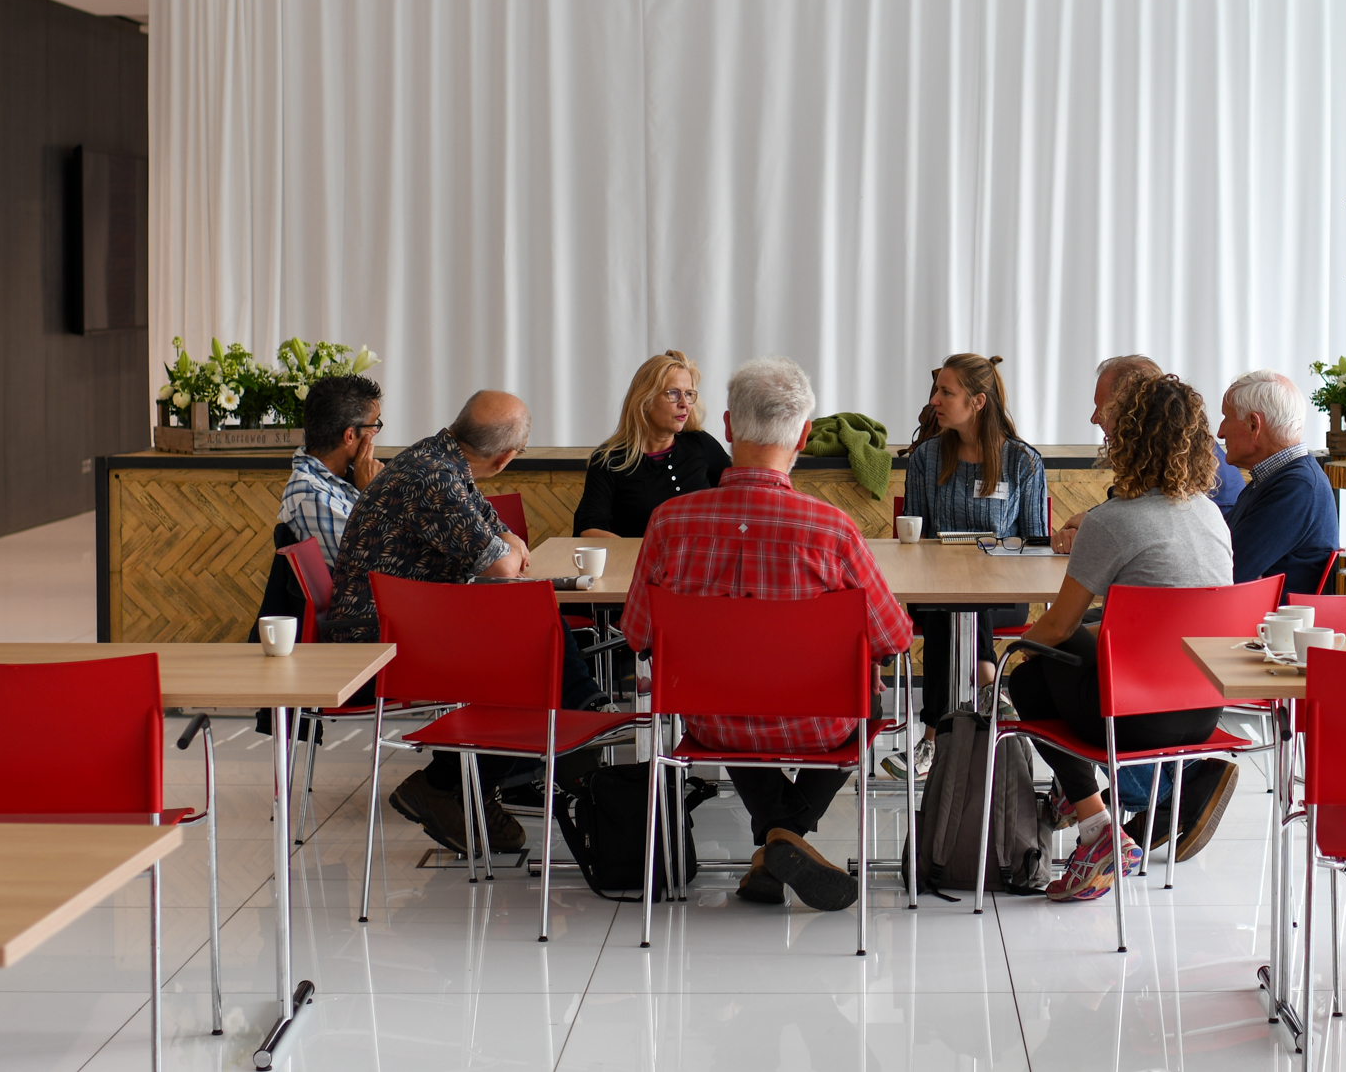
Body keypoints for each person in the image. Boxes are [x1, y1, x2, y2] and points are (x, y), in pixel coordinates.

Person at [623, 357, 912, 911]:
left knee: (728, 690)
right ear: (805, 434)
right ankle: (786, 836)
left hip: (709, 720)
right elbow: (894, 639)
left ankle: (774, 846)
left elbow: (637, 635)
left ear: (728, 428)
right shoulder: (831, 528)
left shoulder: (668, 522)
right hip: (819, 724)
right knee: (869, 701)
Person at [330, 390, 606, 857]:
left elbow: (505, 538)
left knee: (529, 634)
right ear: (505, 458)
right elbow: (502, 562)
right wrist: (507, 548)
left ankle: (461, 784)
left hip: (411, 626)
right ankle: (576, 717)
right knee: (528, 645)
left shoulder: (442, 460)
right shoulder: (434, 477)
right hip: (380, 645)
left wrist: (507, 546)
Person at [1007, 374, 1237, 902]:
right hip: (1203, 711)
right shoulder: (1211, 517)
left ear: (1127, 440)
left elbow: (1059, 626)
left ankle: (1095, 824)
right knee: (1080, 642)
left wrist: (1009, 653)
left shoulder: (1111, 521)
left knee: (1030, 676)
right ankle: (1083, 809)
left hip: (1132, 720)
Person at [894, 354, 1047, 776]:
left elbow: (1038, 545)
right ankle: (986, 678)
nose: (935, 400)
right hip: (933, 593)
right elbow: (916, 537)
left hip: (1004, 596)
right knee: (952, 601)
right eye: (937, 389)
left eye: (946, 391)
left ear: (978, 401)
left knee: (960, 603)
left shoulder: (1023, 462)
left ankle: (930, 739)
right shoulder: (926, 458)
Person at [1050, 354, 1244, 555]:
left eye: (1104, 407)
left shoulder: (1194, 470)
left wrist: (1093, 524)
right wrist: (1090, 522)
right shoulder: (1181, 455)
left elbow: (1140, 522)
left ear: (1135, 408)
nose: (1094, 418)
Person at [575, 350, 731, 538]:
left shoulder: (701, 445)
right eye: (673, 394)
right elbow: (590, 531)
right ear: (646, 401)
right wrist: (647, 554)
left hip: (700, 564)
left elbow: (739, 490)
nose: (685, 404)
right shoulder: (609, 460)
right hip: (638, 565)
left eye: (689, 394)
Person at [1218, 370, 1340, 600]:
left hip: (1265, 630)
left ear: (1254, 425)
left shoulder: (1297, 488)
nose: (1220, 432)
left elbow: (1224, 573)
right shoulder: (1282, 479)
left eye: (1227, 418)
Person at [275, 373, 383, 568]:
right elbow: (376, 564)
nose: (375, 433)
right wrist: (372, 495)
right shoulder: (310, 494)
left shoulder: (350, 473)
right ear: (350, 435)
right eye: (374, 425)